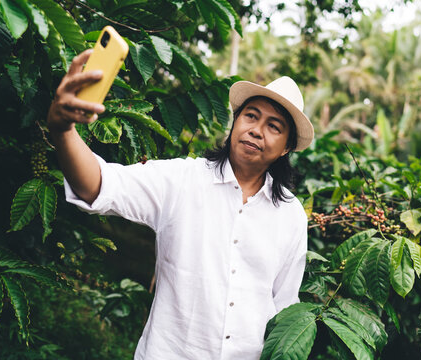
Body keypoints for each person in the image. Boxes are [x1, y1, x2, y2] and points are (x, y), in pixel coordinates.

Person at [47, 49, 314, 359]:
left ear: (286, 148)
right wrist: (63, 129)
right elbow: (98, 185)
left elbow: (283, 307)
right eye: (251, 116)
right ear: (236, 121)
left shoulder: (291, 216)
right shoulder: (182, 180)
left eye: (274, 126)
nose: (256, 130)